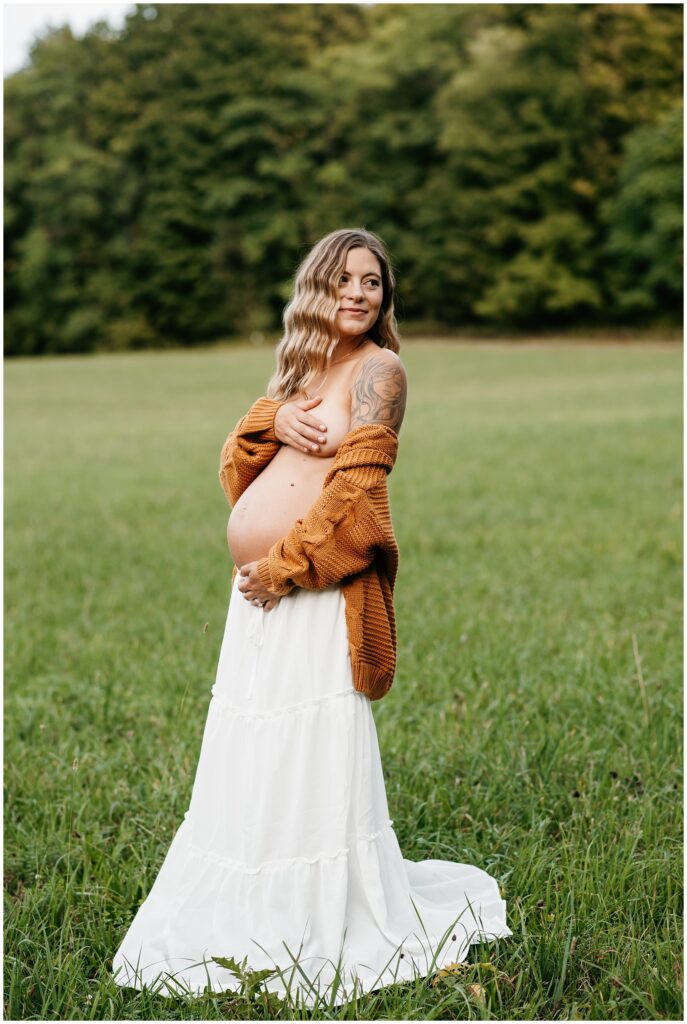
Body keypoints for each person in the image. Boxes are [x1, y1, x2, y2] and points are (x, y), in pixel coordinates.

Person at [111, 228, 512, 1008]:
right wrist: (266, 421)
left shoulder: (379, 373)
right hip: (256, 594)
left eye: (372, 281)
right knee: (255, 743)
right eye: (342, 280)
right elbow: (236, 471)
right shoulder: (299, 373)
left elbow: (357, 495)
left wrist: (284, 569)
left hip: (312, 590)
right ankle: (252, 895)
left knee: (306, 745)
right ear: (314, 292)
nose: (358, 293)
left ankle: (311, 907)